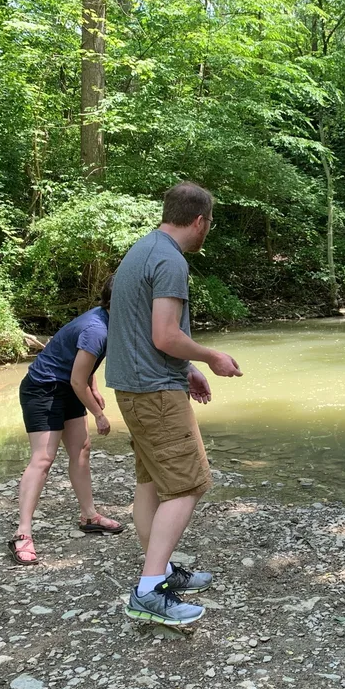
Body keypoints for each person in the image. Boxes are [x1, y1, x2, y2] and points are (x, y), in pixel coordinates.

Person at [106, 181, 242, 626]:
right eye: (210, 225)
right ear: (200, 221)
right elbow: (165, 335)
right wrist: (211, 356)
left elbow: (137, 334)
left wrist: (187, 369)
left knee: (151, 484)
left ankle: (160, 572)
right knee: (187, 485)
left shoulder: (141, 250)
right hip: (155, 393)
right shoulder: (170, 261)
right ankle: (148, 591)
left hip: (133, 387)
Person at [9, 276, 123, 565]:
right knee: (43, 458)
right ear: (120, 301)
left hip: (69, 384)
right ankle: (22, 534)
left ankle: (89, 516)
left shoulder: (107, 320)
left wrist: (94, 388)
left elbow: (82, 366)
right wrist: (99, 414)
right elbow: (76, 378)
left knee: (81, 450)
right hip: (43, 388)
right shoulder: (96, 329)